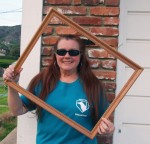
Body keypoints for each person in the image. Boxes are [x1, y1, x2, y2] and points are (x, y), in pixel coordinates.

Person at [3, 35, 115, 144]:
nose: (67, 56)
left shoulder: (94, 86)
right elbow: (17, 110)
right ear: (56, 55)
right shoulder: (42, 81)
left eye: (73, 52)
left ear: (81, 56)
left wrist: (108, 128)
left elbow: (103, 121)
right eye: (62, 52)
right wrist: (12, 85)